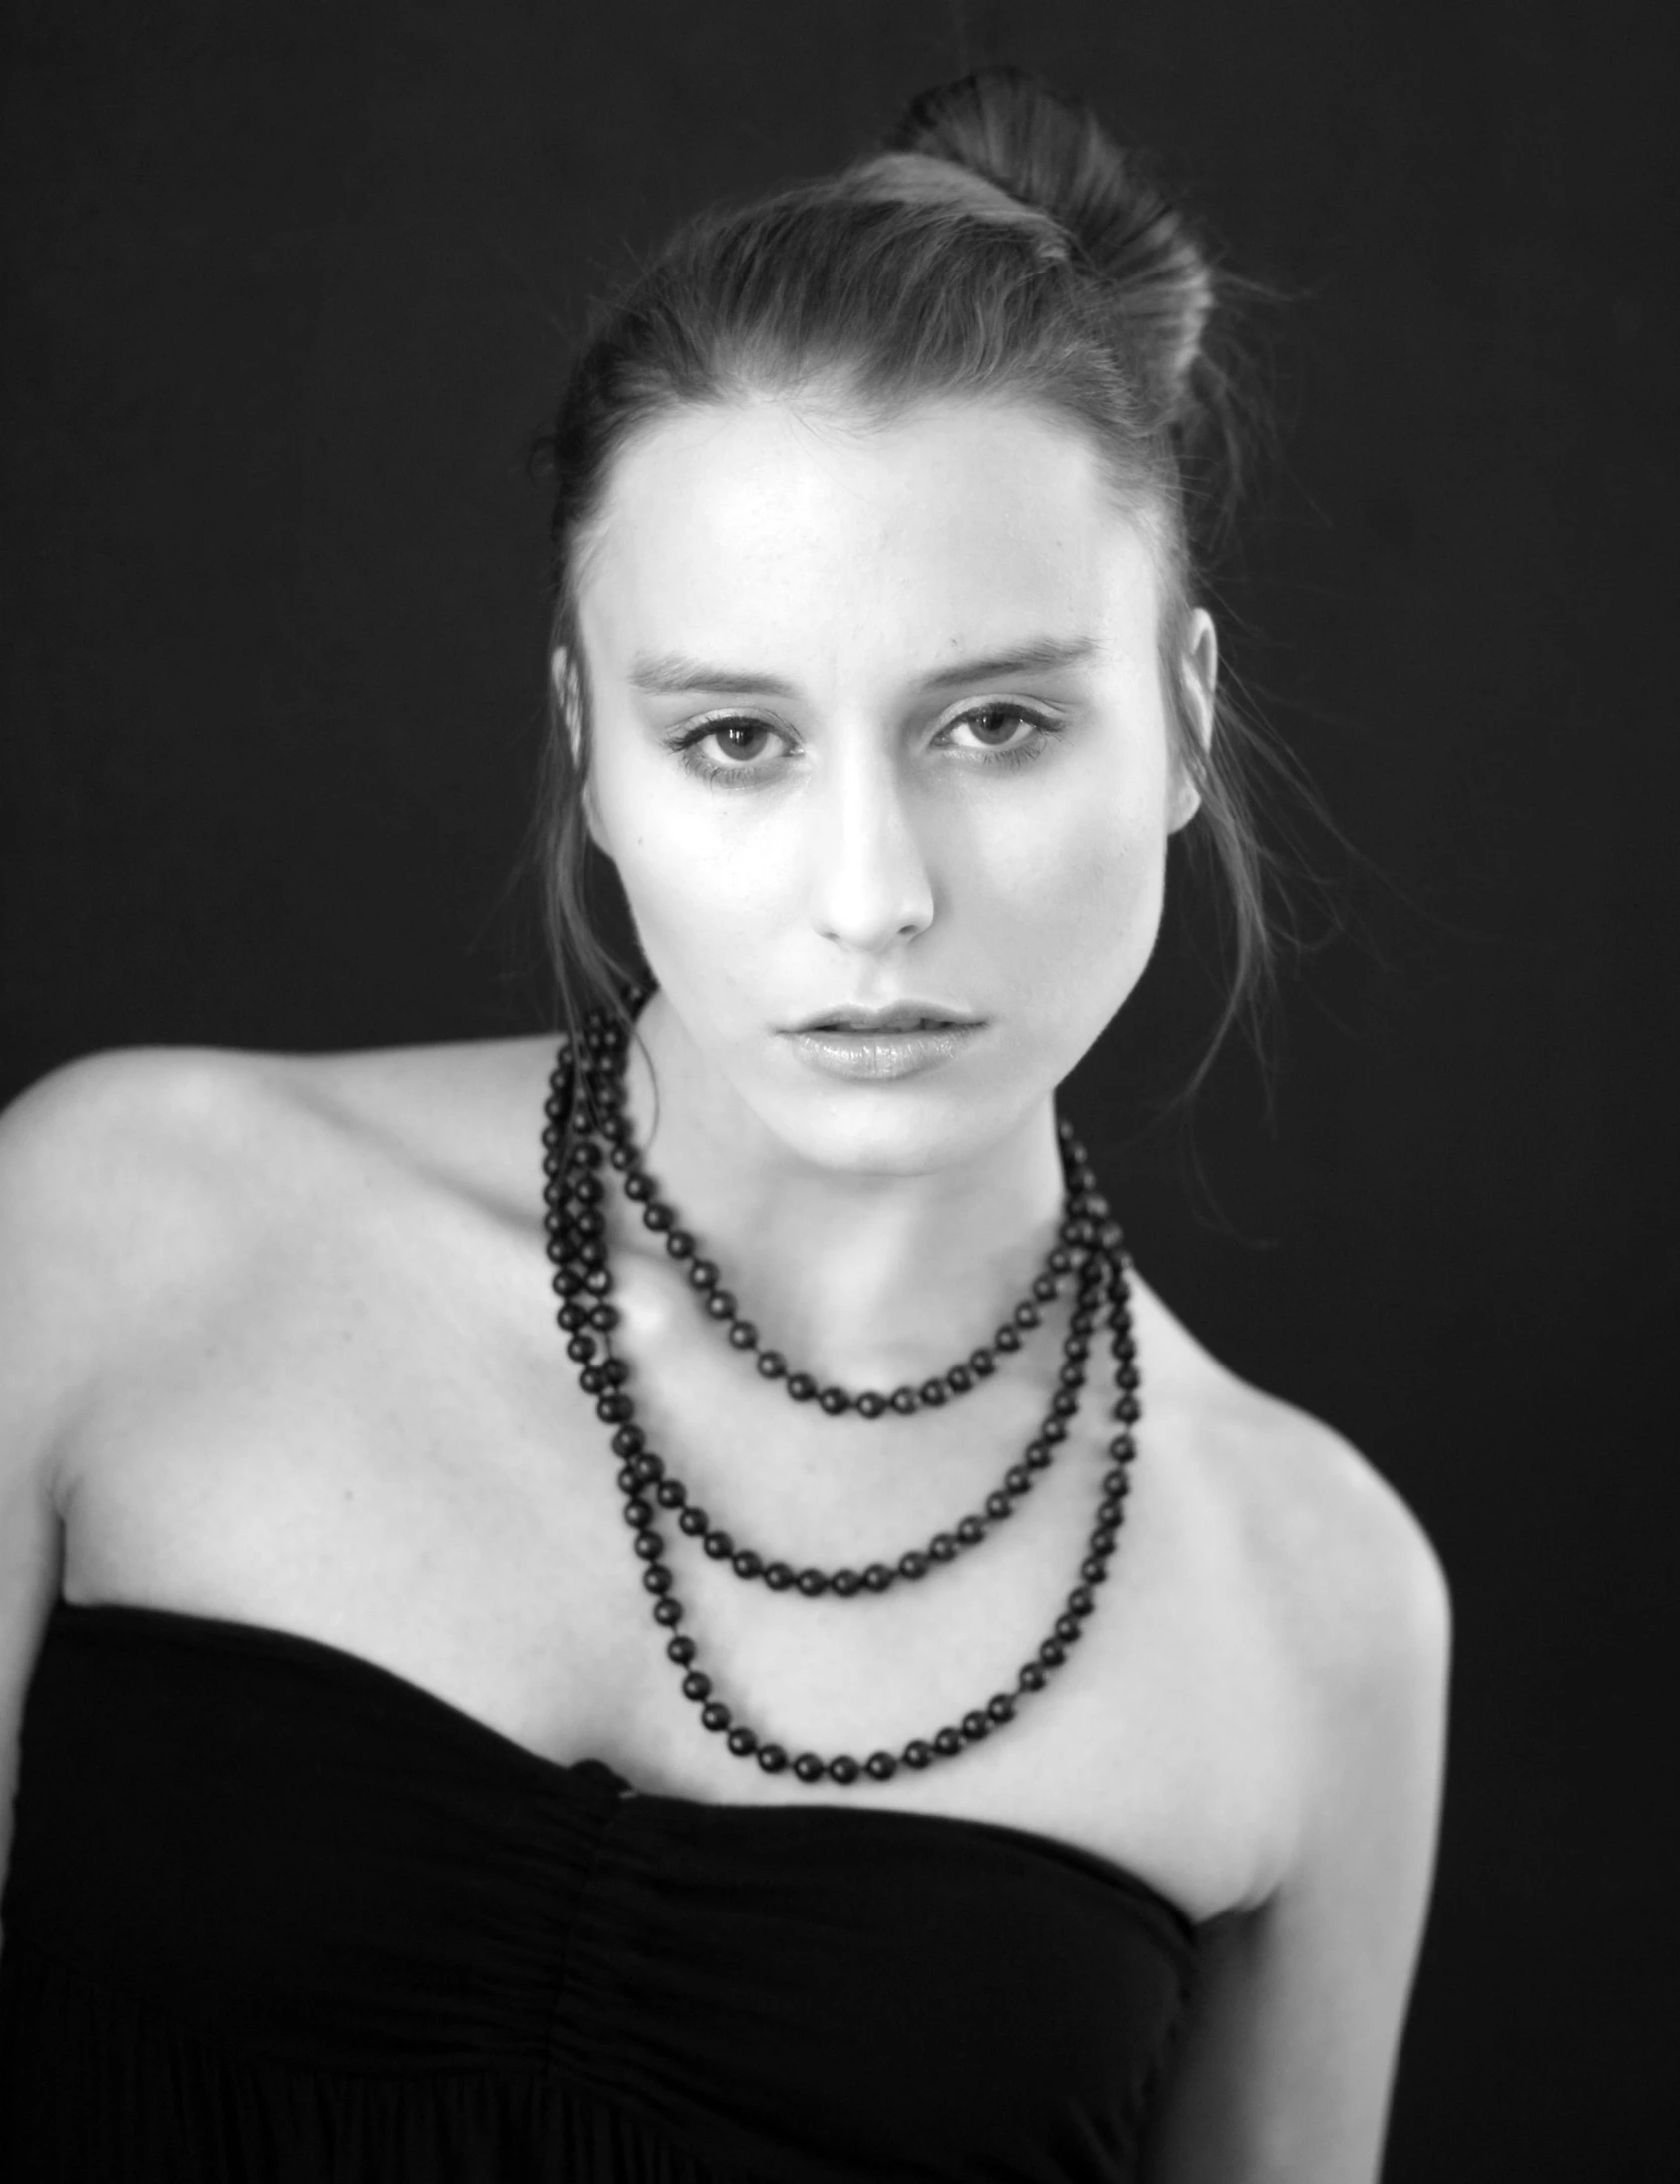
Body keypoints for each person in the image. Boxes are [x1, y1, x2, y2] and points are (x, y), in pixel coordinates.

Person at [0, 64, 1449, 2184]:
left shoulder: (1320, 1608)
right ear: (592, 746)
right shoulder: (111, 1228)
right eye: (737, 735)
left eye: (995, 721)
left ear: (1185, 722)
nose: (873, 891)